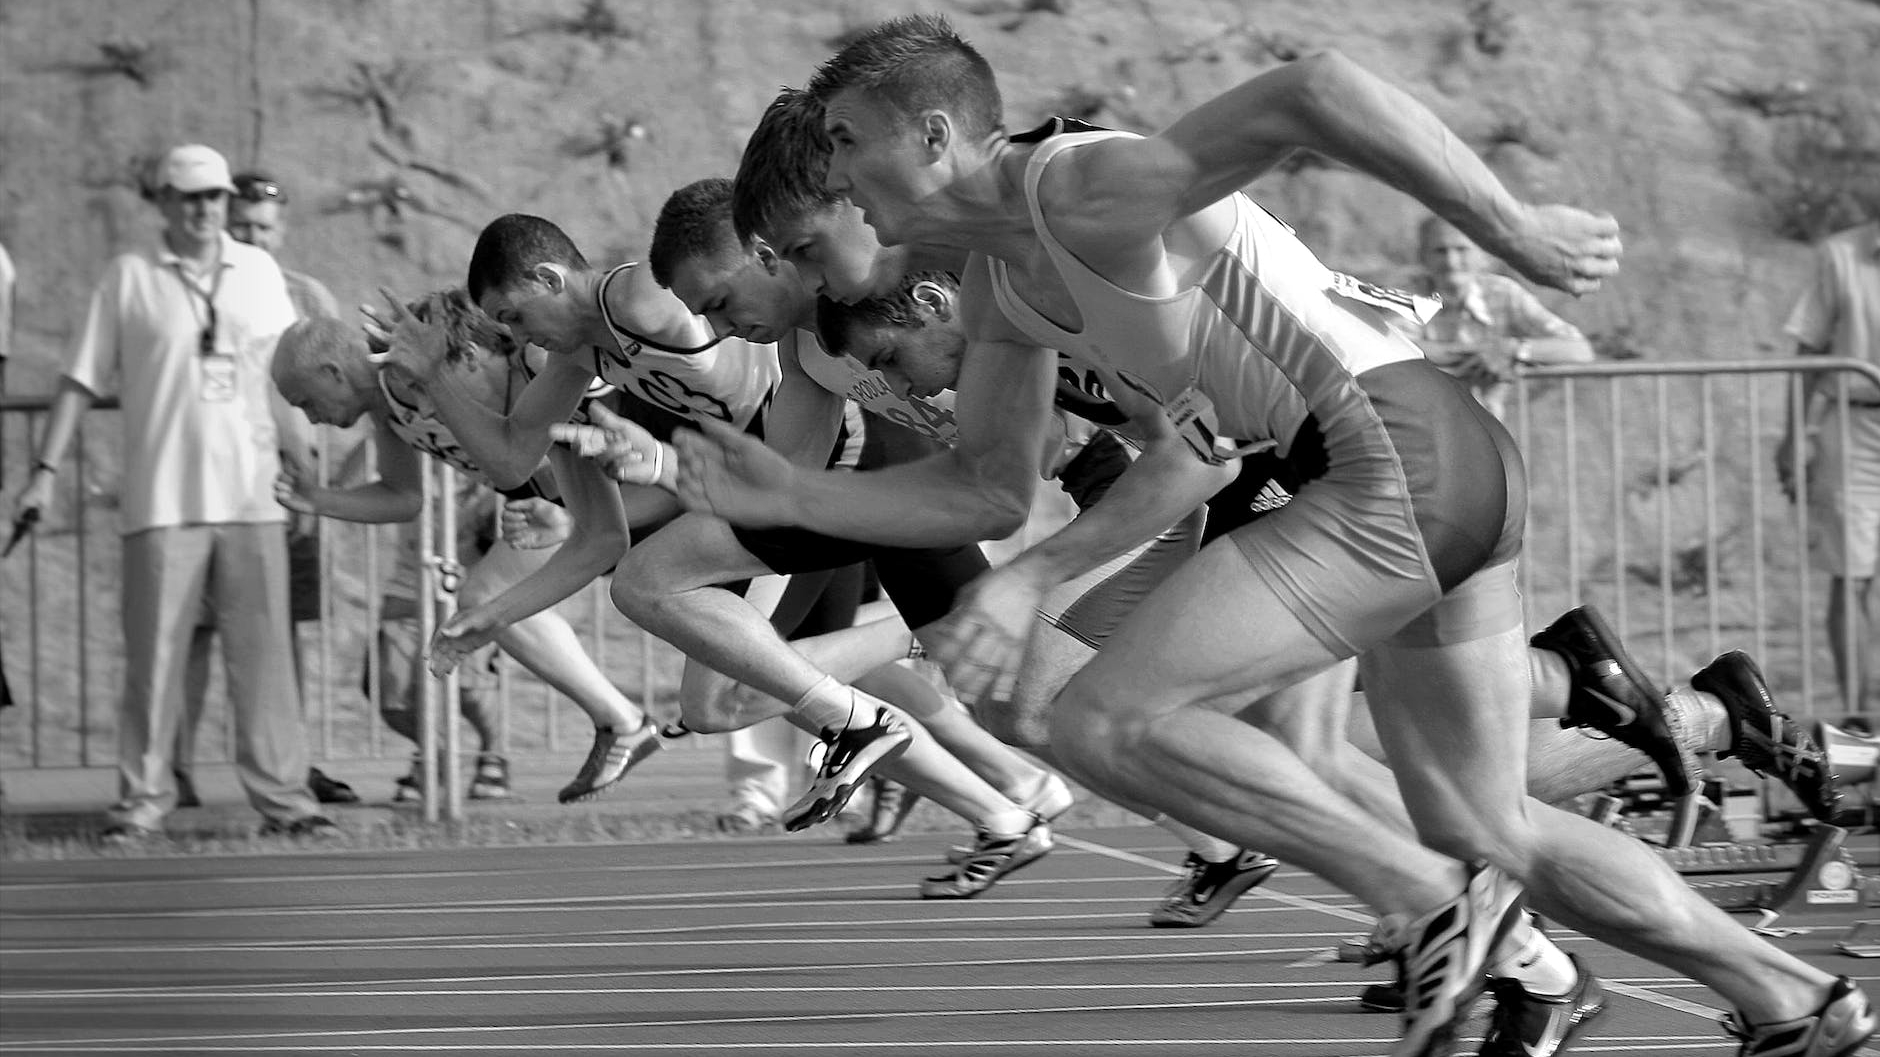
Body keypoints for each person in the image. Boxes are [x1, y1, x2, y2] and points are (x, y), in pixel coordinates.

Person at [669, 20, 1871, 1056]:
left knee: (1101, 716)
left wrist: (1515, 232)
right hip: (1411, 457)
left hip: (1381, 447)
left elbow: (1313, 89)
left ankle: (1429, 902)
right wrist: (790, 491)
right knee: (1480, 818)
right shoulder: (998, 283)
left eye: (841, 145)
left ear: (931, 136)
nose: (829, 179)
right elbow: (982, 489)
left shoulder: (1072, 188)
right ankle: (1788, 1000)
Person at [11, 143, 332, 842]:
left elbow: (287, 374)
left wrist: (306, 465)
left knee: (266, 659)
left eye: (214, 196)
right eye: (189, 197)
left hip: (252, 499)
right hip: (161, 504)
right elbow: (78, 381)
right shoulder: (128, 278)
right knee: (153, 663)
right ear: (160, 201)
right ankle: (141, 802)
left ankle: (287, 802)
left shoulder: (257, 270)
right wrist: (43, 470)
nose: (204, 210)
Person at [270, 300, 661, 804]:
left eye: (306, 401)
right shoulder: (389, 410)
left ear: (331, 371)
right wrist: (321, 500)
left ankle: (625, 721)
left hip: (593, 465)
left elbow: (504, 372)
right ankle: (623, 721)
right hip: (555, 498)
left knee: (490, 595)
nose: (313, 418)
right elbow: (403, 496)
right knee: (489, 597)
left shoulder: (408, 371)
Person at [171, 168, 358, 810]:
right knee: (190, 631)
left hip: (283, 488)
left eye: (264, 228)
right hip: (203, 485)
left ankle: (294, 765)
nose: (253, 236)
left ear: (282, 232)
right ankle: (172, 769)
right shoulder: (197, 287)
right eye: (241, 225)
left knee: (284, 632)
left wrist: (313, 480)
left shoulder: (309, 296)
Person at [1777, 218, 1880, 715]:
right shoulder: (1841, 256)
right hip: (1854, 424)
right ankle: (1859, 718)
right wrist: (1794, 434)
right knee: (1852, 573)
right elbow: (1810, 350)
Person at [1401, 216, 1595, 422]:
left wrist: (1512, 350)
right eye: (1440, 251)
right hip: (1426, 427)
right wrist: (1477, 355)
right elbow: (1390, 344)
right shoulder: (1407, 293)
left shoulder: (1503, 292)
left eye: (1461, 250)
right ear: (1422, 257)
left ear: (1484, 255)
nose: (1451, 261)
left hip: (1495, 427)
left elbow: (1579, 349)